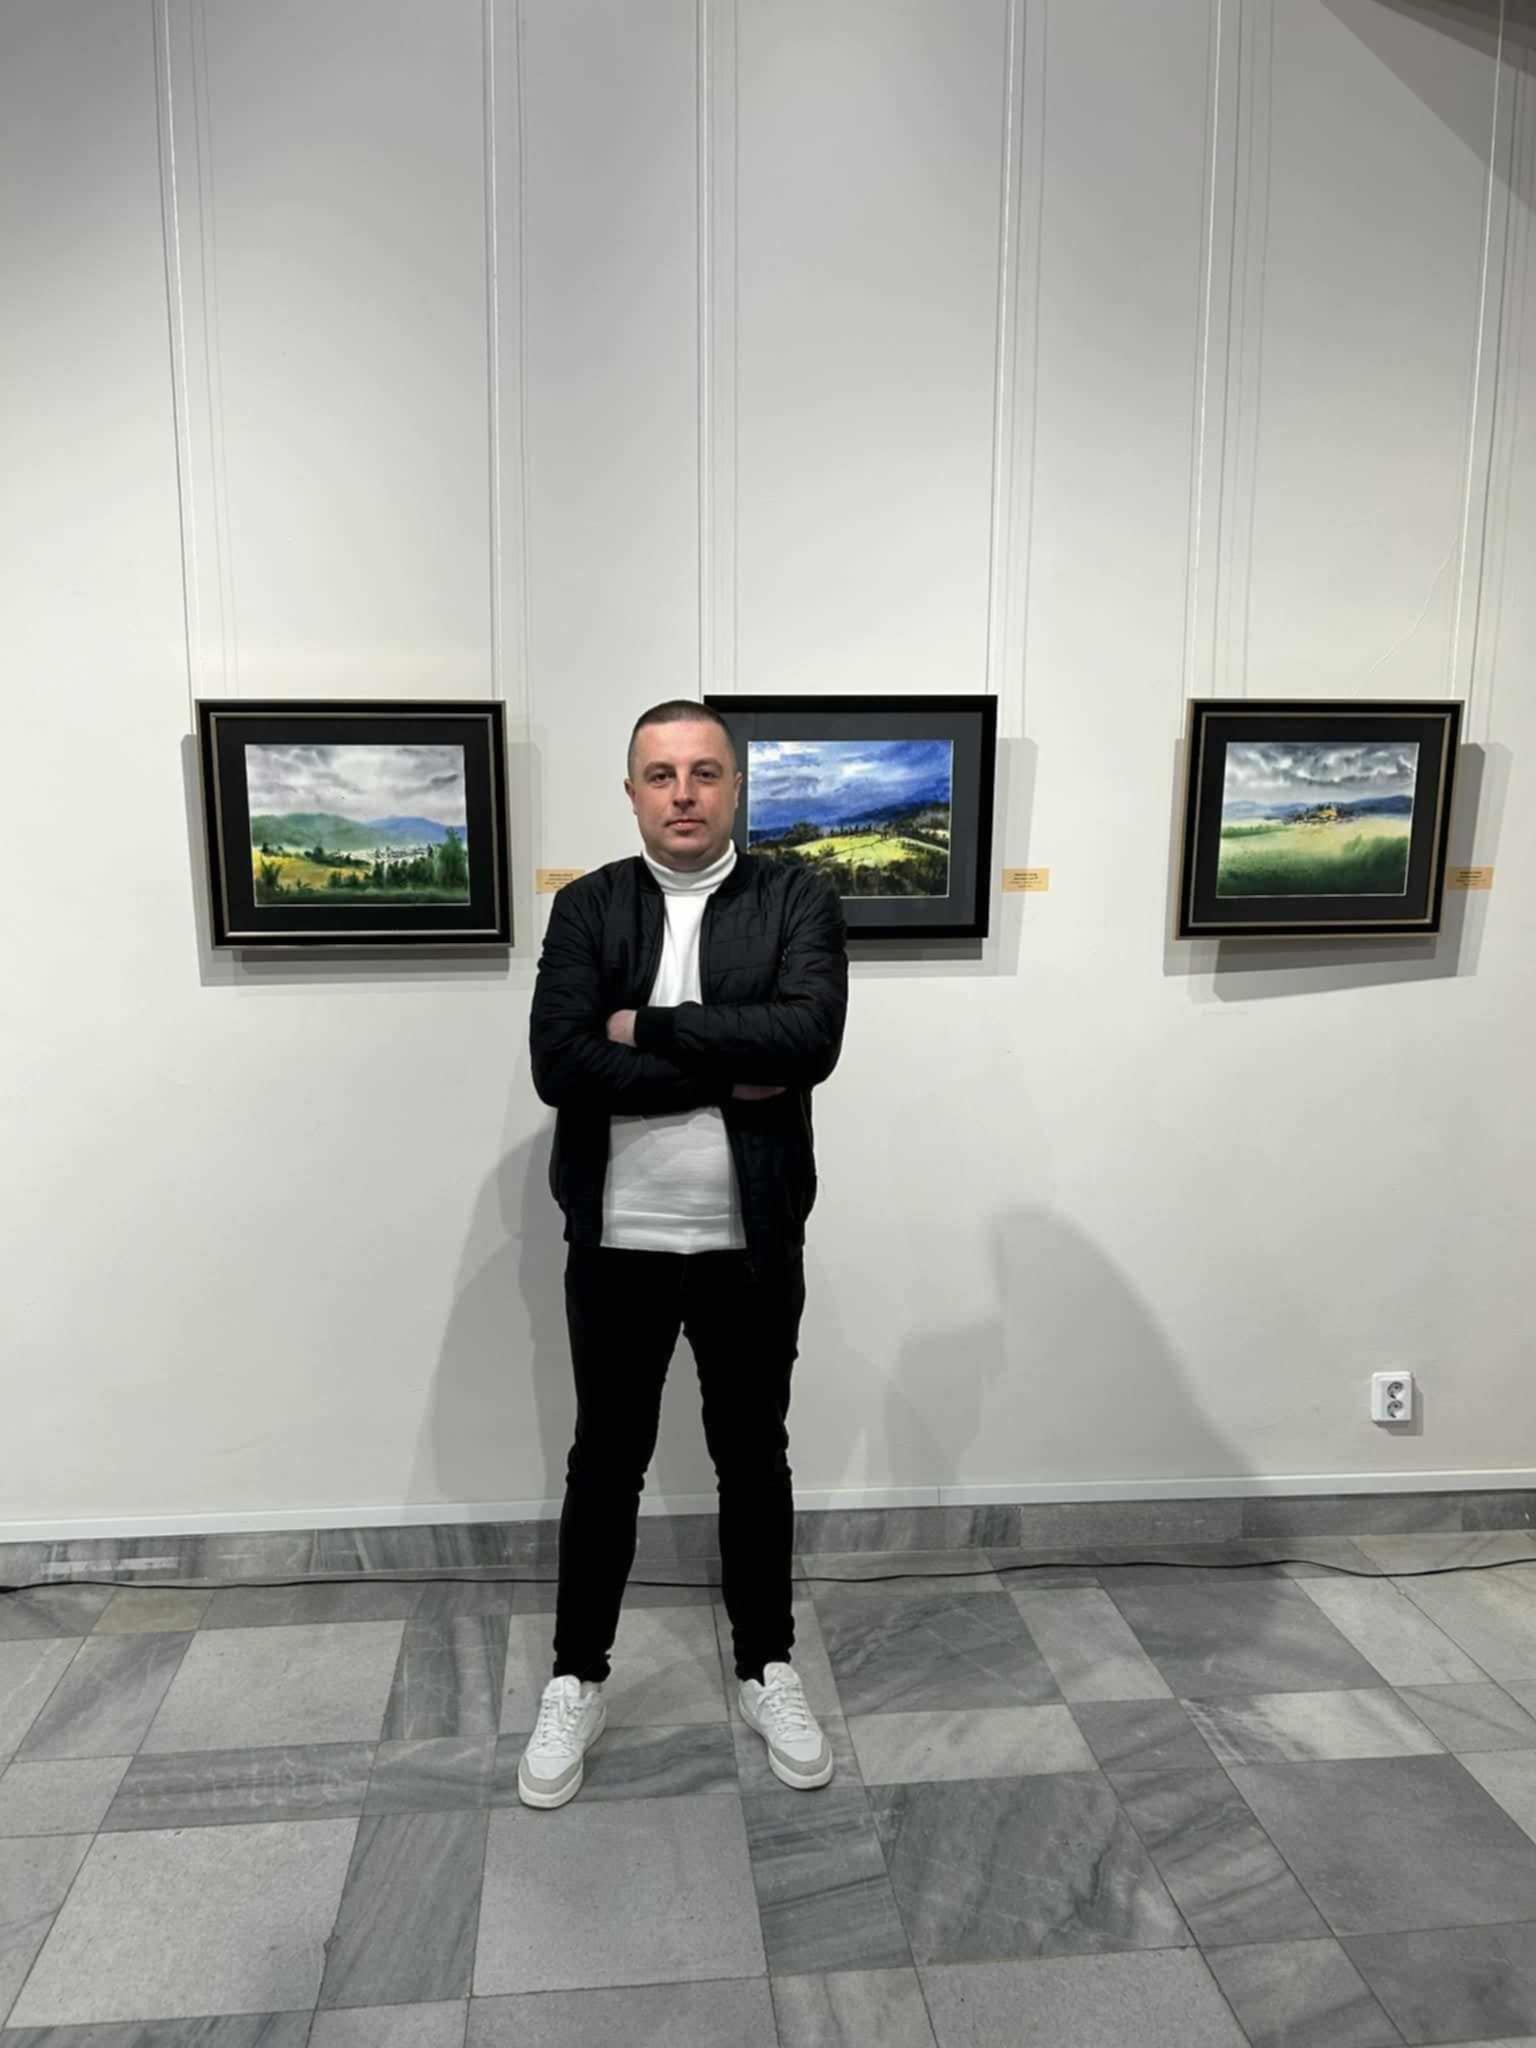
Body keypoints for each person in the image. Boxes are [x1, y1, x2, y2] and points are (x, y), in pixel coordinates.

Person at [520, 699, 848, 1809]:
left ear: (735, 786)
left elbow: (809, 1040)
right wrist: (727, 1063)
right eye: (661, 774)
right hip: (618, 1241)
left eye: (705, 771)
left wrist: (649, 1026)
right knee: (604, 1461)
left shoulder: (796, 897)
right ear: (631, 792)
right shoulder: (589, 906)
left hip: (750, 1242)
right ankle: (577, 1677)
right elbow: (561, 1064)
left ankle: (767, 1665)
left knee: (753, 1457)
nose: (684, 793)